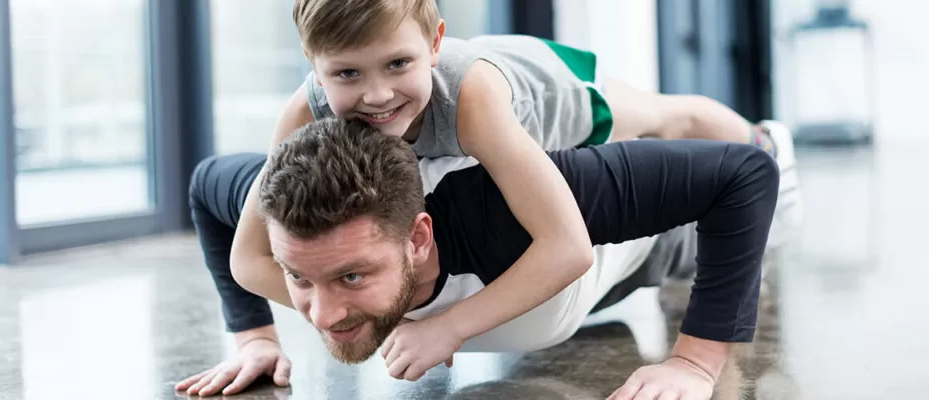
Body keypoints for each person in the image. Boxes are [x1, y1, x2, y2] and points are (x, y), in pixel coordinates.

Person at [218, 3, 802, 396]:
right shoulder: (303, 114)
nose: (375, 94)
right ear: (315, 68)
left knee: (670, 120)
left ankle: (761, 139)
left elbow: (567, 245)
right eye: (347, 73)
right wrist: (357, 311)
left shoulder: (472, 100)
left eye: (398, 64)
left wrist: (450, 327)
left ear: (434, 44)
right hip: (469, 116)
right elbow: (249, 257)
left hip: (550, 91)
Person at [178, 117, 785, 400]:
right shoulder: (284, 211)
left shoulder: (504, 206)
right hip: (550, 315)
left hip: (642, 253)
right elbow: (206, 185)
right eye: (298, 277)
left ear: (419, 238)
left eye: (352, 275)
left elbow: (743, 175)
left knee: (752, 210)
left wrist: (695, 362)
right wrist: (254, 337)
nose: (321, 314)